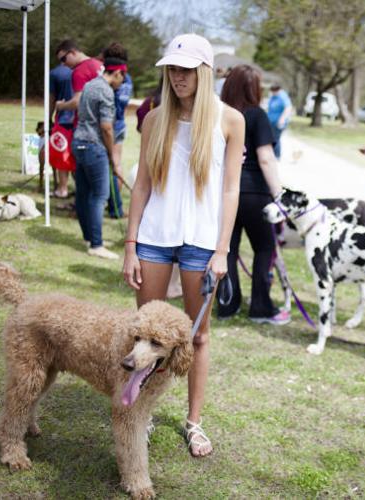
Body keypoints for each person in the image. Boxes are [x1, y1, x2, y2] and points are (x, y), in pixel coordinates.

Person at [122, 33, 244, 458]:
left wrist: (223, 250)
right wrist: (131, 244)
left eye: (186, 69)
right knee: (144, 335)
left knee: (198, 338)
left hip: (202, 245)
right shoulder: (154, 119)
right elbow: (140, 186)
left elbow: (231, 191)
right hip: (154, 240)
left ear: (204, 72)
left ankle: (194, 422)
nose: (177, 77)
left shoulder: (230, 121)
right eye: (172, 69)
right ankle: (143, 413)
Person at [217, 64, 290, 325]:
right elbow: (266, 158)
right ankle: (260, 307)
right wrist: (280, 195)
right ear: (253, 88)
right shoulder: (257, 116)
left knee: (227, 250)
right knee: (263, 249)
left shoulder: (219, 114)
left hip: (225, 192)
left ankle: (227, 303)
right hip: (255, 194)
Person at [70, 57, 126, 260]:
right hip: (94, 146)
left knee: (83, 193)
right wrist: (112, 154)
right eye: (123, 77)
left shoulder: (89, 84)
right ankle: (96, 244)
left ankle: (90, 237)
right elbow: (106, 127)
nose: (122, 82)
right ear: (117, 73)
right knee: (99, 196)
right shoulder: (106, 90)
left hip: (78, 143)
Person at [54, 40, 104, 199]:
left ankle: (81, 207)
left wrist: (61, 106)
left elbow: (77, 102)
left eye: (64, 59)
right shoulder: (98, 65)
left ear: (73, 52)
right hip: (102, 125)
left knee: (82, 175)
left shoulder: (79, 71)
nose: (63, 64)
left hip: (84, 129)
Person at [103, 43, 132, 220]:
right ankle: (115, 204)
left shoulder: (113, 75)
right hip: (121, 123)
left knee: (111, 166)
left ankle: (114, 207)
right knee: (117, 164)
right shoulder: (128, 78)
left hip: (111, 125)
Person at [266, 83, 292, 159]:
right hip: (271, 122)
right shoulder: (273, 96)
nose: (273, 93)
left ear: (278, 90)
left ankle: (277, 156)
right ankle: (272, 154)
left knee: (275, 138)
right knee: (271, 137)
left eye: (274, 91)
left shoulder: (283, 96)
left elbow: (288, 108)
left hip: (278, 122)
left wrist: (282, 120)